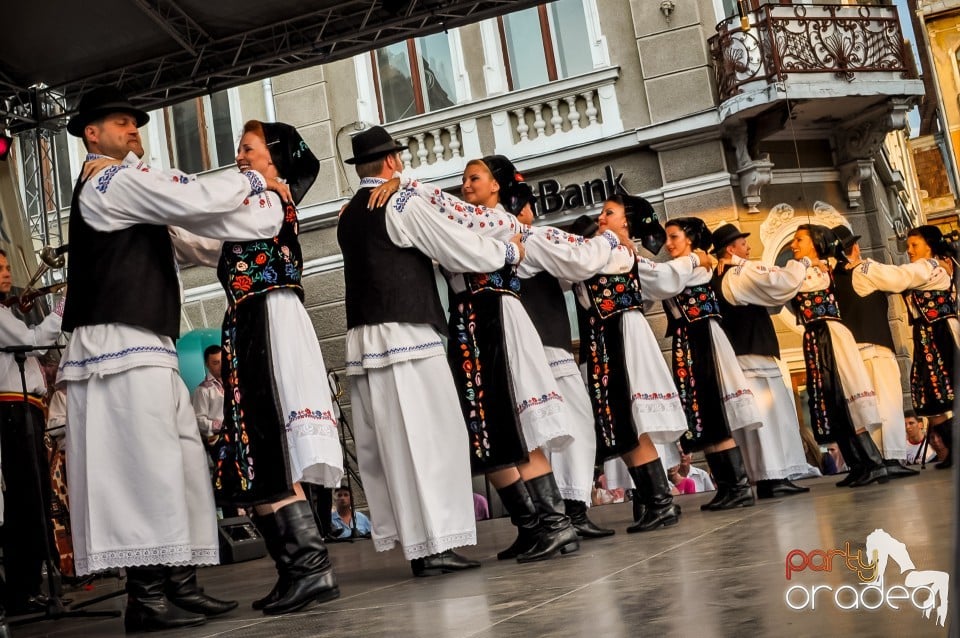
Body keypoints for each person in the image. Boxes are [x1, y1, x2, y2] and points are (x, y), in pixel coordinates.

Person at [60, 86, 289, 631]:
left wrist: (267, 211)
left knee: (182, 463)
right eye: (121, 123)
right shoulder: (110, 182)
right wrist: (255, 180)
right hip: (116, 345)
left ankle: (180, 583)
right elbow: (193, 201)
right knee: (142, 468)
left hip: (149, 344)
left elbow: (201, 237)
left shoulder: (134, 194)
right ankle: (147, 597)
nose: (133, 130)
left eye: (134, 123)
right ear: (92, 134)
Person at [368, 155, 586, 562]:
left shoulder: (501, 221)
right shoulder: (469, 218)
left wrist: (408, 184)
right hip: (469, 324)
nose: (466, 185)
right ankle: (532, 525)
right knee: (484, 431)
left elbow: (457, 221)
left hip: (499, 321)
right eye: (464, 179)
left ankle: (558, 525)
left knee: (518, 423)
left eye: (474, 178)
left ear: (496, 186)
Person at [338, 126, 520, 576]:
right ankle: (437, 543)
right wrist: (506, 253)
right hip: (406, 336)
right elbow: (455, 245)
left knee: (394, 446)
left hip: (366, 339)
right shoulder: (401, 202)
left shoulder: (347, 213)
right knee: (432, 437)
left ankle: (420, 548)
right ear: (393, 162)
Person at [204, 120, 344, 616]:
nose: (240, 156)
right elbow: (207, 240)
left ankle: (311, 569)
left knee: (267, 444)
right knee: (255, 449)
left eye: (249, 148)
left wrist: (182, 203)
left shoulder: (267, 199)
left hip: (266, 319)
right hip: (250, 321)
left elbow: (221, 223)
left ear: (274, 158)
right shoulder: (252, 201)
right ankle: (298, 571)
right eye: (238, 148)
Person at [459, 156, 617, 540]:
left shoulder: (517, 236)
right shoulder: (510, 235)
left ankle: (559, 517)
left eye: (473, 178)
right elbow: (580, 260)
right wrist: (609, 239)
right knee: (547, 429)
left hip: (527, 344)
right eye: (525, 203)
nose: (530, 211)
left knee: (557, 429)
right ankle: (557, 519)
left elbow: (574, 266)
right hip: (528, 347)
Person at [573, 197, 704, 531]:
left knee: (626, 418)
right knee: (626, 421)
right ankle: (658, 502)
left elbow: (664, 276)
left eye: (609, 213)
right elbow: (663, 277)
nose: (600, 217)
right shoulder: (616, 253)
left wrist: (691, 260)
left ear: (627, 223)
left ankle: (659, 502)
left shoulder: (611, 253)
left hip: (620, 339)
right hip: (612, 338)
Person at [662, 217, 761, 510]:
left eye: (674, 237)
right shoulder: (689, 265)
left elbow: (662, 279)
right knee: (704, 414)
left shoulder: (690, 268)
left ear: (690, 240)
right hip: (691, 338)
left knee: (712, 411)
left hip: (701, 337)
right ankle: (730, 487)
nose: (668, 244)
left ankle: (738, 487)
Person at [711, 223, 812, 499]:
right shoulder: (738, 274)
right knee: (767, 418)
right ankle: (772, 476)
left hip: (749, 354)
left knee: (770, 418)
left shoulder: (724, 275)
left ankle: (776, 474)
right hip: (751, 356)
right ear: (731, 249)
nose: (749, 247)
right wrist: (802, 263)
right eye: (743, 244)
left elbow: (771, 298)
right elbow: (781, 284)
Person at [787, 224, 887, 487]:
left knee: (843, 397)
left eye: (799, 239)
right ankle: (858, 464)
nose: (793, 245)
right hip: (816, 336)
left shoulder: (817, 271)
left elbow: (789, 283)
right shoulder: (809, 268)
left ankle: (873, 463)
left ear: (815, 242)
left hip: (829, 336)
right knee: (832, 400)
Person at [851, 224, 957, 470]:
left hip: (942, 333)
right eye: (908, 246)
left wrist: (862, 264)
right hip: (926, 335)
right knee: (933, 398)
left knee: (946, 391)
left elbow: (897, 277)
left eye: (914, 245)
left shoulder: (928, 267)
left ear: (929, 246)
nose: (909, 250)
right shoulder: (928, 267)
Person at [0, 249, 63, 615]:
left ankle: (29, 585)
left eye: (8, 267)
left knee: (33, 497)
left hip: (25, 409)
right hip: (12, 408)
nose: (7, 273)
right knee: (28, 498)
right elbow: (32, 339)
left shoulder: (7, 311)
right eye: (0, 268)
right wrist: (59, 310)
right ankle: (24, 589)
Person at [830, 225, 916, 478]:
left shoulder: (834, 277)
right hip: (876, 348)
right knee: (887, 403)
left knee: (869, 408)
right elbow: (901, 278)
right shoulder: (864, 270)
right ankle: (891, 458)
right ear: (854, 247)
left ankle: (876, 459)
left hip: (854, 352)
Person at [191, 345, 224, 463]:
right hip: (218, 440)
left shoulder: (233, 384)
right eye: (216, 363)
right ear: (207, 364)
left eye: (222, 361)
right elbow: (198, 420)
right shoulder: (202, 390)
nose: (221, 366)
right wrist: (219, 425)